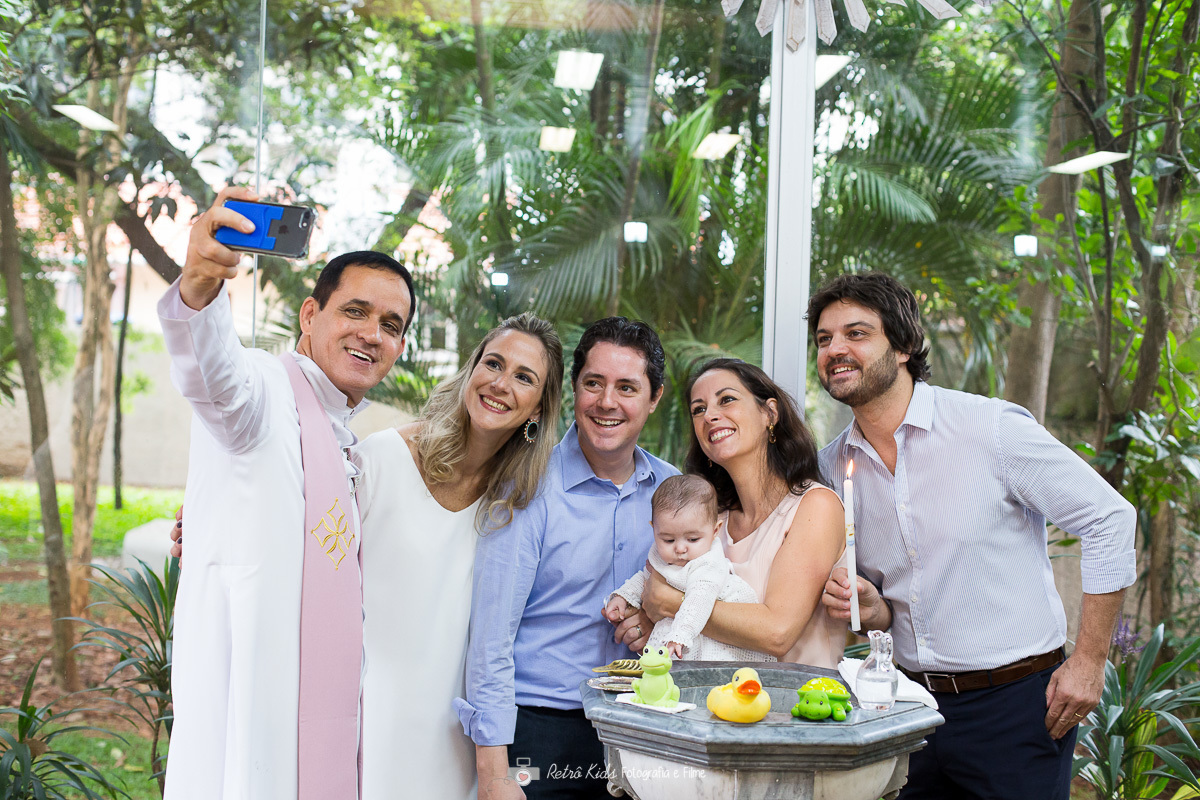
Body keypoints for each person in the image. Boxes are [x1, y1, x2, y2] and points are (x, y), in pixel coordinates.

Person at [811, 272, 1136, 800]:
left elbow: (1109, 518)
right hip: (905, 705)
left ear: (905, 346)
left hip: (1018, 707)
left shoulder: (991, 429)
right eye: (824, 339)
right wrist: (869, 604)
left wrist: (1090, 661)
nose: (835, 350)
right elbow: (881, 604)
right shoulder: (832, 468)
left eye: (856, 333)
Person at [159, 187, 416, 800]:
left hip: (317, 714)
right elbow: (212, 374)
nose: (371, 335)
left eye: (391, 325)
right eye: (355, 311)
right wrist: (201, 282)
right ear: (309, 315)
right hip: (255, 716)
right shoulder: (265, 396)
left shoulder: (345, 442)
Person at [455, 317, 679, 800]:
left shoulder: (673, 492)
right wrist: (495, 774)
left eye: (627, 387)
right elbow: (490, 638)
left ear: (654, 398)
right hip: (540, 732)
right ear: (574, 389)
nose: (606, 402)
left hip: (642, 730)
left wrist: (653, 617)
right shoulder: (528, 486)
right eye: (593, 383)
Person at [356, 312, 564, 800]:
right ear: (472, 370)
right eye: (493, 363)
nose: (500, 383)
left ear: (537, 409)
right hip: (366, 718)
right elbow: (310, 550)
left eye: (524, 377)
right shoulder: (382, 458)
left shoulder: (523, 503)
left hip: (456, 735)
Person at [640, 358, 846, 668]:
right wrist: (644, 624)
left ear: (770, 414)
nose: (709, 415)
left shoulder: (816, 507)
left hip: (796, 708)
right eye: (698, 409)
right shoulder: (709, 523)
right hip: (712, 707)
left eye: (727, 400)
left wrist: (670, 604)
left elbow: (777, 632)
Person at [604, 474, 771, 662]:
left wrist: (680, 635)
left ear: (715, 530)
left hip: (708, 633)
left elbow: (700, 599)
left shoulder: (707, 563)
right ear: (654, 529)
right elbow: (646, 578)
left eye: (692, 539)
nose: (680, 549)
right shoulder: (663, 555)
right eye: (668, 539)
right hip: (677, 631)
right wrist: (624, 597)